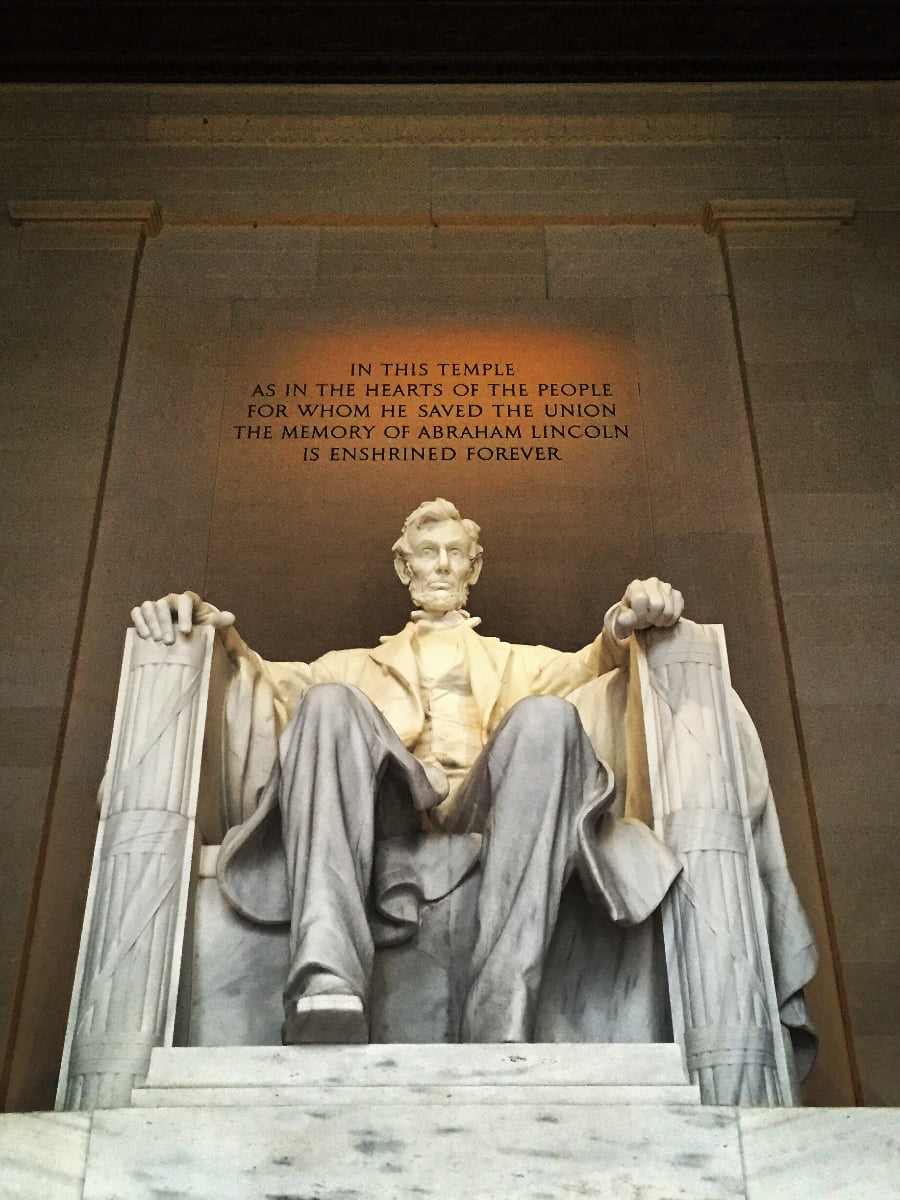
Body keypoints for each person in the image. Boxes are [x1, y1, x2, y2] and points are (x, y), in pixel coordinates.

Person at [132, 498, 796, 1051]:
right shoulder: (346, 664)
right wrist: (203, 629)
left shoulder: (521, 663)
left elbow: (598, 664)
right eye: (428, 552)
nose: (442, 564)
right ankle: (326, 975)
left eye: (456, 553)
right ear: (403, 565)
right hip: (390, 797)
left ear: (474, 566)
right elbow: (261, 689)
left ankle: (502, 1000)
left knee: (546, 720)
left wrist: (628, 617)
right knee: (326, 706)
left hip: (490, 801)